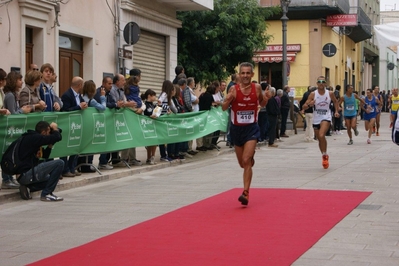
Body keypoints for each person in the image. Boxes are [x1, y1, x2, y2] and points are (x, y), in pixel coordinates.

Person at [222, 62, 270, 206]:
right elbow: (224, 108)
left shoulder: (256, 88)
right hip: (237, 130)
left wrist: (266, 98)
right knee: (242, 163)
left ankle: (246, 192)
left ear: (252, 75)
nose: (245, 76)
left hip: (251, 128)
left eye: (248, 73)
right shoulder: (233, 89)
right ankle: (249, 161)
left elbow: (262, 102)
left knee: (246, 159)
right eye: (242, 73)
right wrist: (228, 99)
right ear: (239, 74)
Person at [16, 121, 64, 201]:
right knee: (59, 163)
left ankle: (28, 188)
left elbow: (45, 156)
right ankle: (46, 194)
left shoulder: (35, 138)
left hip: (25, 175)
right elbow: (57, 137)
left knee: (51, 179)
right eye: (49, 132)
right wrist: (55, 128)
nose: (49, 134)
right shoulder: (35, 138)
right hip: (25, 174)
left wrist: (50, 145)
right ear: (44, 132)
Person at [302, 76, 339, 169]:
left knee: (322, 135)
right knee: (319, 138)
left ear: (325, 83)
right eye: (319, 81)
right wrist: (309, 105)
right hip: (316, 117)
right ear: (317, 83)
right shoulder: (313, 94)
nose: (321, 83)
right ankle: (324, 155)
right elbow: (304, 106)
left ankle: (325, 155)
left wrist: (336, 111)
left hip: (326, 116)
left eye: (323, 81)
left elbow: (335, 101)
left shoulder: (330, 93)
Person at [60, 76, 88, 177]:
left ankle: (72, 168)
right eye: (82, 85)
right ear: (79, 85)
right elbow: (65, 110)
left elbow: (81, 105)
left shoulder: (79, 96)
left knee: (75, 147)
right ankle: (65, 169)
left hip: (77, 125)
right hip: (68, 125)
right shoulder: (67, 95)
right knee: (66, 147)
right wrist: (79, 107)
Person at [141, 89, 158, 165]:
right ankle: (148, 157)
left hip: (154, 125)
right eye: (153, 95)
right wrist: (149, 116)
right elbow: (144, 115)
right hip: (148, 126)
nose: (155, 97)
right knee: (149, 142)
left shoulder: (153, 105)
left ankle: (153, 157)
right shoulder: (145, 105)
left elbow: (157, 112)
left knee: (154, 142)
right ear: (149, 96)